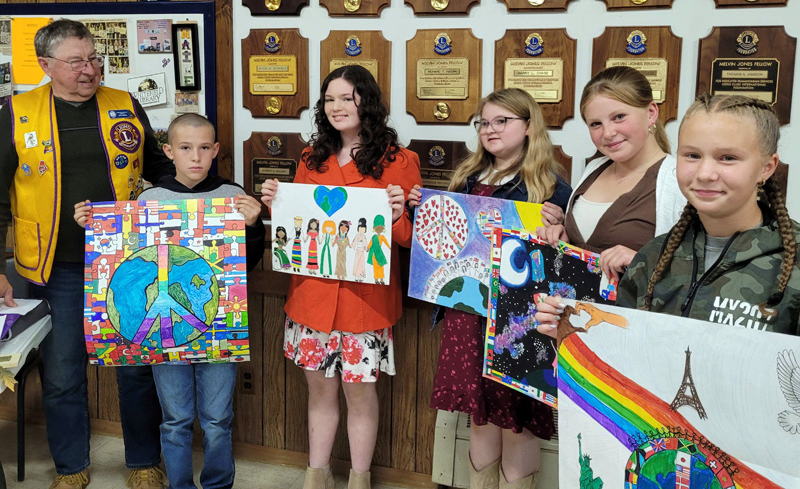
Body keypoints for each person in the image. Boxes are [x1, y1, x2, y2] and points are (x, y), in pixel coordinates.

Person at [0, 19, 172, 489]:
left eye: (94, 58)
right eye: (76, 61)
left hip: (126, 261)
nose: (89, 69)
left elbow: (159, 172)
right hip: (56, 268)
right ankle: (71, 468)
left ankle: (143, 463)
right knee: (62, 373)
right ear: (46, 65)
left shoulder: (124, 104)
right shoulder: (16, 113)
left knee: (134, 368)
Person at [75, 113, 266, 489]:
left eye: (203, 148)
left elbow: (248, 265)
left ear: (215, 151)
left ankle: (217, 484)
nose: (195, 157)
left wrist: (254, 227)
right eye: (185, 148)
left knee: (217, 419)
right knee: (175, 418)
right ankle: (179, 484)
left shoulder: (232, 196)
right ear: (168, 151)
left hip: (218, 330)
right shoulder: (150, 199)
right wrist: (93, 227)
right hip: (165, 335)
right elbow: (123, 257)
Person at [260, 65, 421, 489]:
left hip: (365, 303)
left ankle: (359, 479)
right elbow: (295, 228)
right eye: (329, 99)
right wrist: (276, 203)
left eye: (346, 98)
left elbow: (409, 241)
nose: (336, 107)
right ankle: (317, 475)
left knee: (360, 394)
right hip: (311, 297)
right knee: (319, 392)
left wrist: (399, 214)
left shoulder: (401, 161)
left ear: (367, 101)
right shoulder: (311, 157)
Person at [409, 87, 572, 489]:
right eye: (484, 122)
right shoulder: (466, 177)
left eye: (502, 121)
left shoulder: (550, 188)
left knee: (516, 421)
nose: (490, 130)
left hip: (520, 321)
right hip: (467, 313)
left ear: (529, 125)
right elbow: (445, 244)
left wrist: (559, 231)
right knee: (478, 414)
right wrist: (421, 208)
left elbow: (564, 263)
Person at [536, 94, 799, 337]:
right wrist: (571, 335)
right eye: (692, 155)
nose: (705, 173)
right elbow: (626, 354)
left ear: (767, 167)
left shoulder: (792, 263)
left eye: (727, 158)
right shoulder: (652, 258)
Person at [537, 66, 685, 282]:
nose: (608, 133)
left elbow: (696, 275)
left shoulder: (677, 180)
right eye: (596, 124)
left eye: (619, 117)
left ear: (651, 113)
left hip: (634, 314)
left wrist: (640, 263)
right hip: (577, 312)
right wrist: (562, 237)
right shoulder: (594, 169)